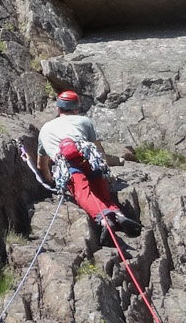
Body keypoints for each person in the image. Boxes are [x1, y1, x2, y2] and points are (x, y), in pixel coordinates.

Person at [36, 91, 141, 235]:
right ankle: (118, 214)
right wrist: (106, 171)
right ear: (76, 109)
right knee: (102, 194)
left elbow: (41, 165)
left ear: (58, 109)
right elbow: (99, 151)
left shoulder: (45, 129)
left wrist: (51, 181)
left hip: (68, 166)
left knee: (83, 193)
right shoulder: (84, 121)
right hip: (90, 160)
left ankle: (104, 220)